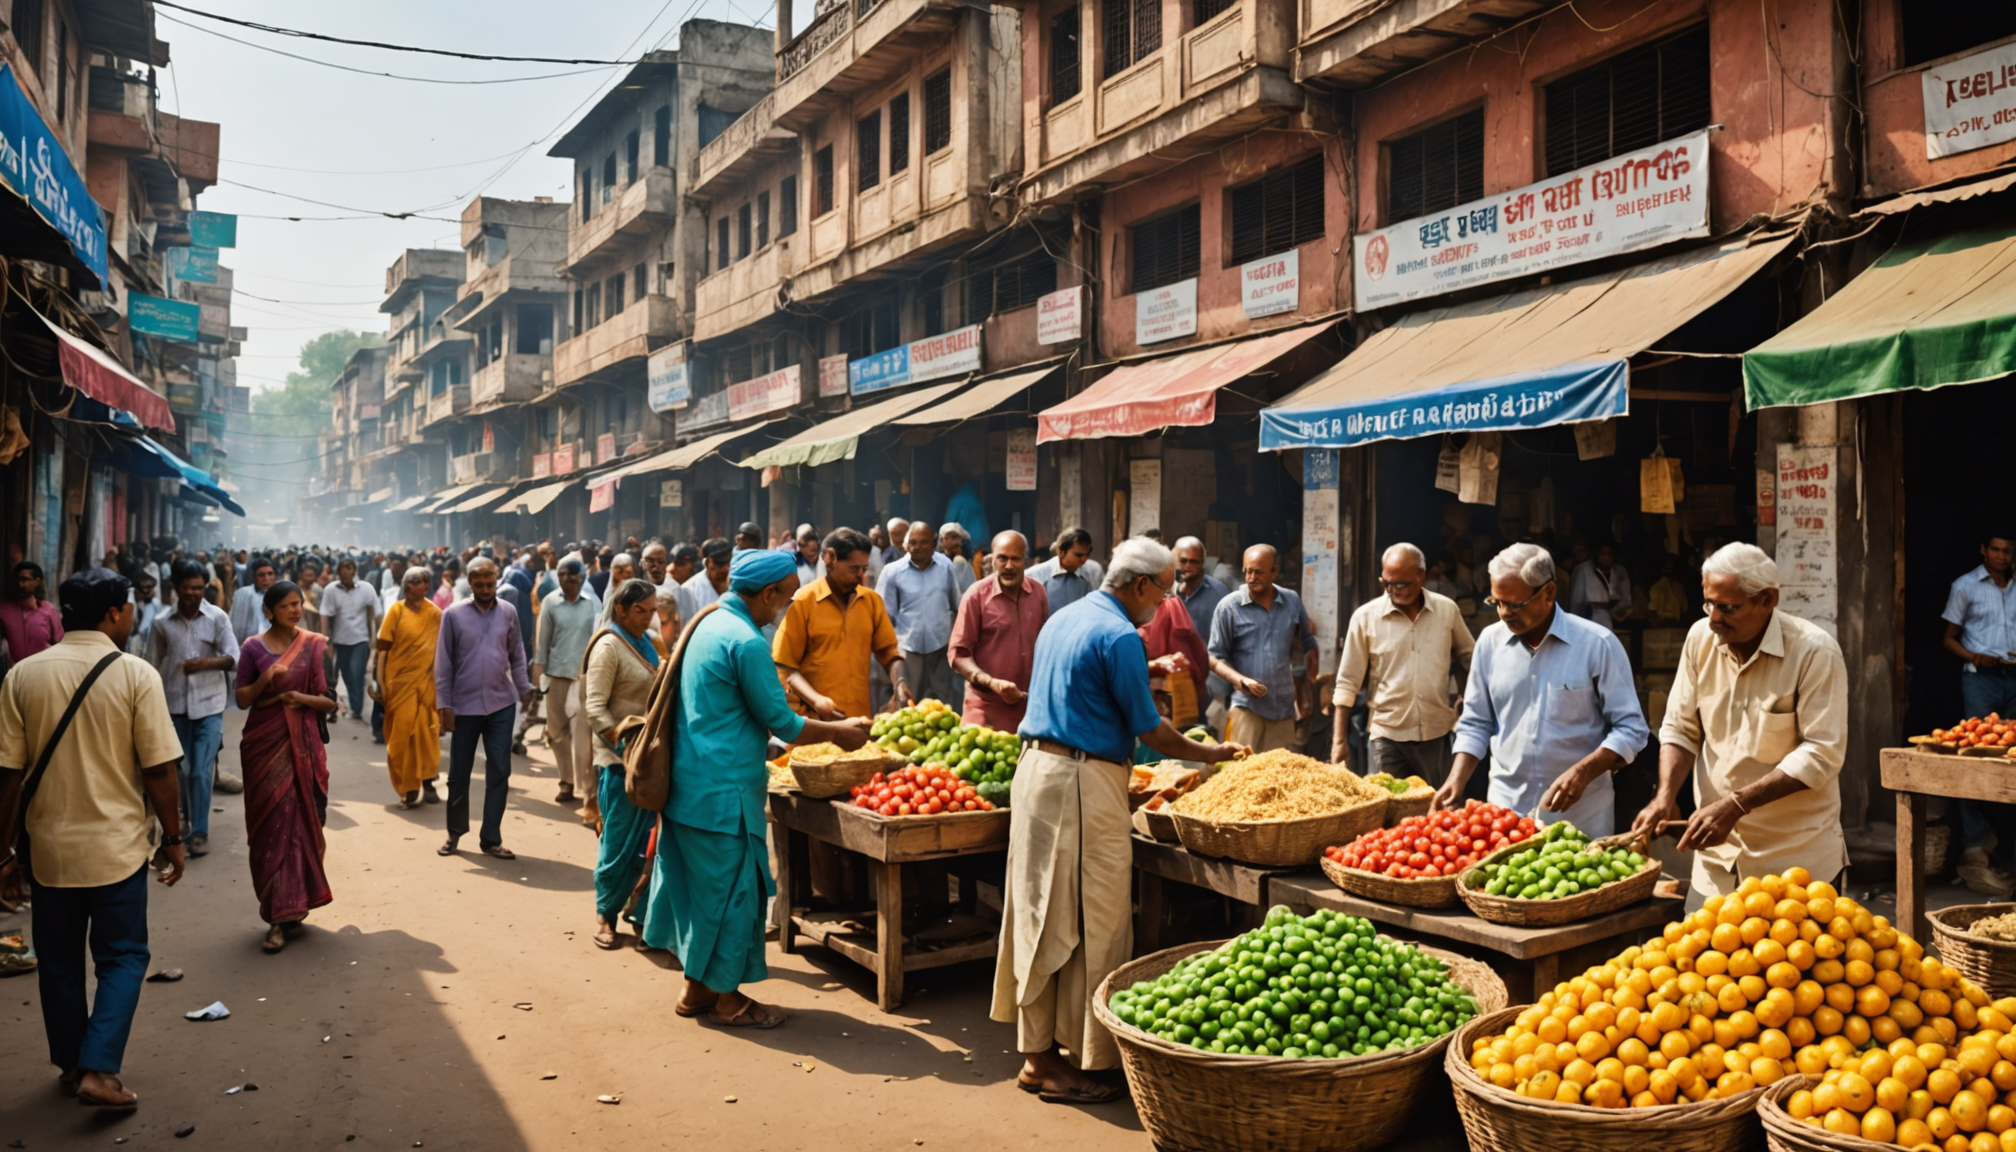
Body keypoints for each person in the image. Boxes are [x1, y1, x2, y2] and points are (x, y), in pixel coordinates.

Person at [994, 538, 1246, 1103]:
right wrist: (1212, 756)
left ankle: (1049, 1050)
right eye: (1162, 588)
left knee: (1041, 911)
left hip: (1037, 771)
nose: (1165, 600)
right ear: (1140, 585)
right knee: (1098, 920)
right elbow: (1152, 729)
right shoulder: (1119, 634)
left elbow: (1085, 684)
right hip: (1080, 783)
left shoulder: (1067, 617)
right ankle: (1056, 1061)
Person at [640, 549, 872, 1028]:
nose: (782, 610)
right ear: (767, 594)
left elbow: (731, 705)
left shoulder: (706, 623)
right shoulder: (745, 640)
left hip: (690, 787)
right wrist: (838, 732)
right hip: (722, 794)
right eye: (783, 600)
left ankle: (695, 991)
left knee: (702, 896)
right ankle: (728, 1000)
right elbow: (783, 723)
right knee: (731, 897)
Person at [0, 567, 185, 1108]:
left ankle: (72, 1063)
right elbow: (159, 770)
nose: (130, 615)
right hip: (117, 850)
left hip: (49, 851)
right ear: (112, 613)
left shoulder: (23, 676)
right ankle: (100, 1070)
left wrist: (4, 851)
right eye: (126, 607)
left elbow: (8, 775)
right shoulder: (135, 675)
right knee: (124, 957)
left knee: (58, 962)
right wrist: (173, 837)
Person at [1630, 543, 1848, 911]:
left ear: (1767, 600)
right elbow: (1681, 727)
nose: (1714, 618)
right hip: (1716, 860)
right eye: (1709, 604)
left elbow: (1821, 753)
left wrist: (1736, 805)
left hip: (1795, 863)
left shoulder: (1814, 652)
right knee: (1698, 962)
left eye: (1728, 608)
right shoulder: (1701, 639)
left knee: (1795, 969)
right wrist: (1665, 795)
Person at [1439, 543, 1650, 836]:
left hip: (1581, 816)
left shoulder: (1596, 644)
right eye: (1496, 602)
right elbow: (1476, 722)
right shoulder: (1489, 643)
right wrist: (1455, 780)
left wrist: (1583, 772)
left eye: (1515, 604)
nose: (1504, 613)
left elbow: (1632, 729)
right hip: (1505, 815)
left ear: (1549, 593)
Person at [232, 581, 339, 954]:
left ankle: (290, 907)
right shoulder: (251, 648)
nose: (295, 610)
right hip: (264, 744)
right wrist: (268, 678)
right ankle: (277, 915)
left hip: (304, 746)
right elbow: (242, 698)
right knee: (272, 828)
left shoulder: (312, 644)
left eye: (298, 604)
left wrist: (300, 697)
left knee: (301, 825)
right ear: (269, 611)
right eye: (287, 606)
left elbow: (327, 700)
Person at [1329, 543, 1474, 783]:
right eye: (1387, 584)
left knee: (1435, 811)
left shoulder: (1447, 610)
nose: (1395, 590)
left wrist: (1466, 700)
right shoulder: (1365, 618)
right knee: (1385, 810)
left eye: (1403, 584)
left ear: (1422, 576)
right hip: (1386, 736)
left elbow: (1469, 659)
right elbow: (1347, 683)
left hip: (1436, 733)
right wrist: (1339, 742)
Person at [434, 558, 533, 858]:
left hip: (501, 703)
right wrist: (444, 703)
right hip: (464, 707)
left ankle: (491, 838)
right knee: (458, 773)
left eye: (490, 584)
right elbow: (443, 662)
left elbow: (517, 653)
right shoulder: (453, 615)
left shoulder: (508, 611)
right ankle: (454, 834)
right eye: (479, 585)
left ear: (497, 581)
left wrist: (524, 687)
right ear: (470, 582)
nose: (486, 589)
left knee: (500, 769)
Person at [585, 579, 663, 949]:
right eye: (640, 611)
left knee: (648, 846)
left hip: (650, 761)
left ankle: (641, 915)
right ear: (620, 609)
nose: (647, 618)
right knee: (618, 842)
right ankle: (606, 915)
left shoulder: (647, 643)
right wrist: (623, 743)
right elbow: (594, 708)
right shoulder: (608, 646)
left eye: (651, 611)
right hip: (618, 763)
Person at [144, 561, 238, 858]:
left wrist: (205, 664)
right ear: (175, 588)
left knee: (200, 771)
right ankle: (185, 824)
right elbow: (150, 665)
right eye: (188, 588)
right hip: (173, 707)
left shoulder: (217, 618)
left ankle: (199, 831)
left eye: (199, 588)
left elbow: (233, 657)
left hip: (210, 705)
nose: (194, 593)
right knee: (183, 772)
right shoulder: (161, 622)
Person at [1942, 531, 2016, 895]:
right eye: (1996, 550)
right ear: (1983, 550)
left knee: (2012, 758)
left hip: (2013, 679)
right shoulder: (1965, 586)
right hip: (1980, 679)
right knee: (1975, 758)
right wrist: (1975, 657)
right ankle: (1974, 849)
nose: (2002, 557)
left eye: (2008, 552)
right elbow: (1948, 638)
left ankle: (2005, 848)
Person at [773, 528, 909, 720]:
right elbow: (785, 666)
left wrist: (900, 683)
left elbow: (890, 654)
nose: (861, 575)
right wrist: (816, 702)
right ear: (830, 558)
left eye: (864, 569)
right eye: (854, 569)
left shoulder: (871, 602)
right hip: (814, 723)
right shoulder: (804, 601)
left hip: (859, 720)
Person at [1208, 544, 1319, 754]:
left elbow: (1302, 650)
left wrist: (1303, 694)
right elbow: (1213, 658)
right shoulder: (1229, 607)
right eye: (1248, 571)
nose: (1251, 578)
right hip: (1247, 707)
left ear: (1274, 572)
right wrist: (1240, 680)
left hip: (1284, 709)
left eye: (1258, 572)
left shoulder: (1292, 602)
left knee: (1279, 777)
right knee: (1242, 774)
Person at [949, 530, 1048, 730]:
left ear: (1026, 561)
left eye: (1016, 559)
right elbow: (958, 656)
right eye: (1002, 558)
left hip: (1027, 709)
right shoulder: (975, 596)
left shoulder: (1038, 593)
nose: (1009, 566)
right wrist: (991, 682)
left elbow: (1045, 646)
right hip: (984, 708)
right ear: (992, 560)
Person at [534, 558, 599, 818]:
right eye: (563, 575)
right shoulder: (550, 602)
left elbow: (599, 640)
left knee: (584, 737)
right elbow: (543, 643)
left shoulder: (594, 603)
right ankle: (566, 782)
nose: (568, 580)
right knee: (557, 732)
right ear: (557, 577)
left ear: (582, 577)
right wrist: (538, 677)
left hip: (585, 677)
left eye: (573, 576)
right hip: (557, 674)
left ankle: (587, 789)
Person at [373, 567, 443, 809]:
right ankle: (408, 787)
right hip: (398, 684)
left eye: (425, 581)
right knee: (401, 735)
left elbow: (443, 653)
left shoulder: (435, 614)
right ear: (407, 586)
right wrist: (380, 683)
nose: (423, 585)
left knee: (427, 734)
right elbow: (382, 649)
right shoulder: (396, 610)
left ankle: (427, 782)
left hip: (427, 685)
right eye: (417, 581)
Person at [879, 521, 963, 707]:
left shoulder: (946, 566)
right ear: (906, 546)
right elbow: (885, 616)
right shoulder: (892, 572)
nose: (917, 548)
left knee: (943, 705)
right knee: (908, 704)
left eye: (923, 542)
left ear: (934, 544)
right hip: (908, 650)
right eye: (913, 543)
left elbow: (957, 604)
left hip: (940, 647)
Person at [1172, 536, 1231, 729]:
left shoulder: (1218, 593)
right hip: (1173, 683)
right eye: (1183, 561)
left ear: (1202, 564)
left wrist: (1218, 692)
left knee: (1209, 738)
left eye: (1194, 561)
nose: (1187, 566)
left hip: (1210, 685)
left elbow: (1228, 642)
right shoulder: (1165, 591)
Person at [320, 558, 380, 725]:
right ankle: (355, 705)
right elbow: (324, 614)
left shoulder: (365, 589)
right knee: (346, 674)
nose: (347, 572)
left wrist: (376, 637)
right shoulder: (331, 590)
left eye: (350, 568)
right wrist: (324, 639)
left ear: (355, 571)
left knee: (356, 673)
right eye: (344, 569)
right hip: (340, 640)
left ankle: (357, 708)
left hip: (360, 639)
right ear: (338, 572)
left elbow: (376, 612)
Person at [0, 561, 64, 670]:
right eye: (19, 580)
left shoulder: (48, 610)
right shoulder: (4, 610)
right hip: (15, 673)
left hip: (44, 671)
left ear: (37, 582)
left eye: (25, 580)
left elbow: (60, 644)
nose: (21, 585)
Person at [1025, 527, 1103, 613]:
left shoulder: (1093, 571)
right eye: (1078, 555)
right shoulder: (1035, 575)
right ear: (1061, 552)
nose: (1084, 560)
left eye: (1087, 555)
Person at [1568, 543, 1632, 628]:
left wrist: (1615, 610)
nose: (1606, 558)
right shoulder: (1583, 570)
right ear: (1597, 555)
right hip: (1589, 616)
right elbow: (1576, 601)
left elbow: (1626, 599)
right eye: (1603, 554)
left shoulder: (1619, 571)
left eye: (1609, 554)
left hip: (1612, 618)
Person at [677, 537, 733, 626]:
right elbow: (687, 626)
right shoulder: (689, 589)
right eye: (720, 564)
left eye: (728, 564)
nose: (726, 569)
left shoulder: (734, 586)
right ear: (707, 563)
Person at [229, 558, 277, 653]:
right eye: (261, 575)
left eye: (270, 574)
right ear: (254, 577)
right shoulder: (244, 594)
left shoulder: (280, 594)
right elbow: (237, 628)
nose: (266, 579)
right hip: (249, 648)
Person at [127, 573, 160, 656]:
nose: (150, 591)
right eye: (147, 587)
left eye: (151, 587)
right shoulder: (130, 604)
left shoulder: (154, 604)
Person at [940, 523, 976, 596]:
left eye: (957, 538)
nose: (955, 541)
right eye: (951, 537)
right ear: (942, 541)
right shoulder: (938, 561)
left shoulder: (962, 562)